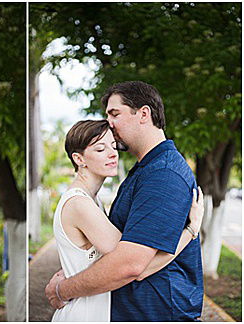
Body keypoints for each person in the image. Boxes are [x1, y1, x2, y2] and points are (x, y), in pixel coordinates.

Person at [45, 81, 205, 321]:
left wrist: (62, 289)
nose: (109, 123)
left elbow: (130, 265)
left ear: (143, 114)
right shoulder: (144, 170)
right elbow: (111, 254)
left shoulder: (163, 174)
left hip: (158, 314)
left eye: (115, 113)